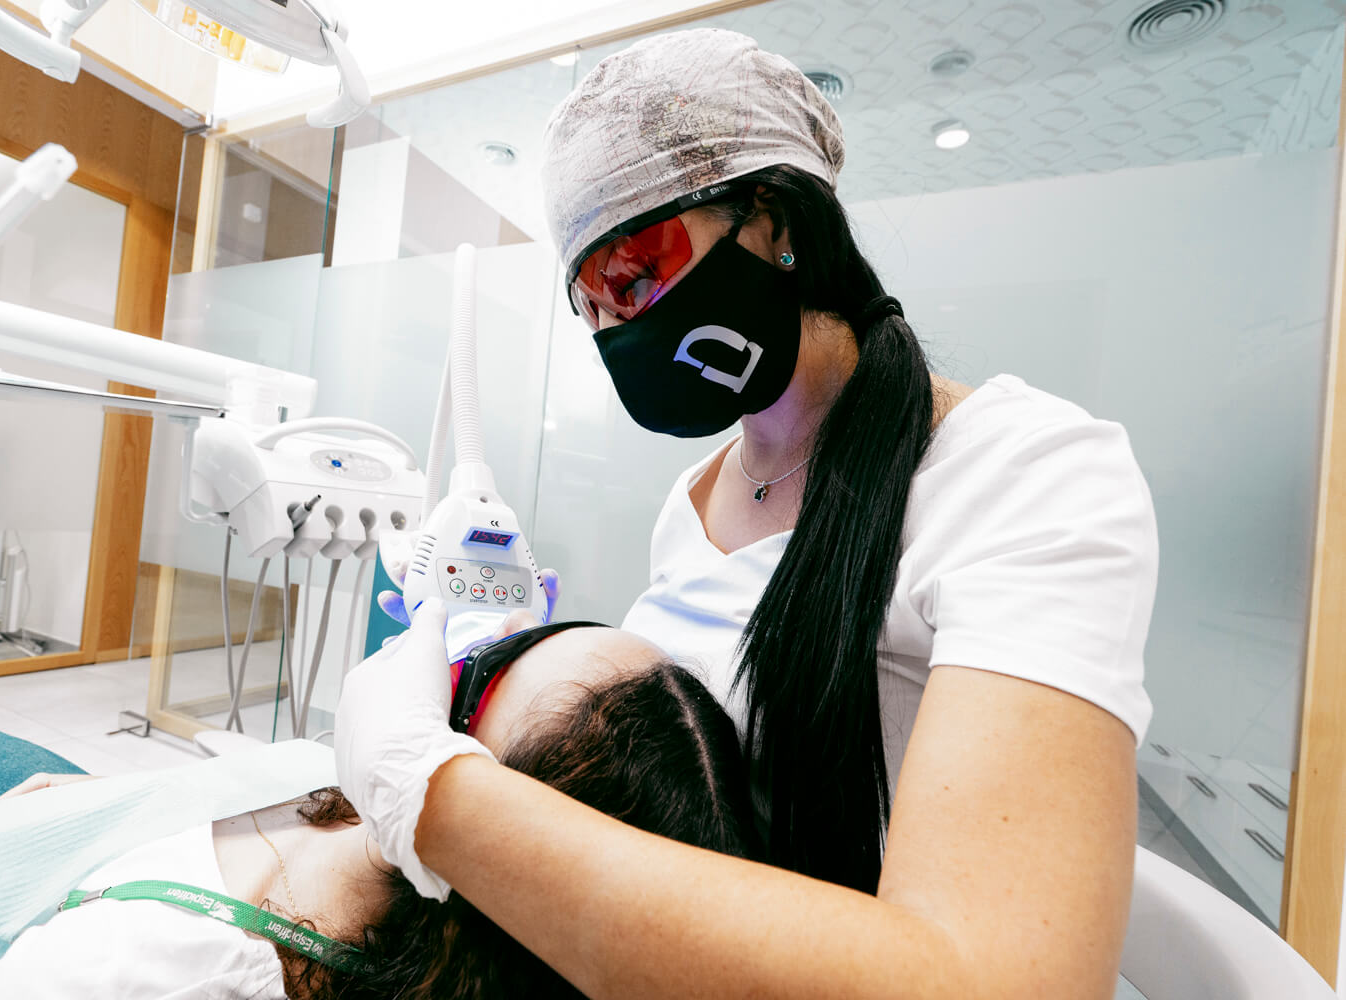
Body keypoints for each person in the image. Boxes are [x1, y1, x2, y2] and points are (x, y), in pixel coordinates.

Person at [342, 27, 1160, 1000]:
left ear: (774, 220)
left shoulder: (1025, 477)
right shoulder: (690, 502)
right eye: (590, 304)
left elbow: (995, 981)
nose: (617, 325)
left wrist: (431, 793)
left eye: (631, 277)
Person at [0, 612, 756, 1000]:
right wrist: (63, 807)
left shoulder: (152, 968)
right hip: (77, 831)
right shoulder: (369, 824)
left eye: (473, 683)